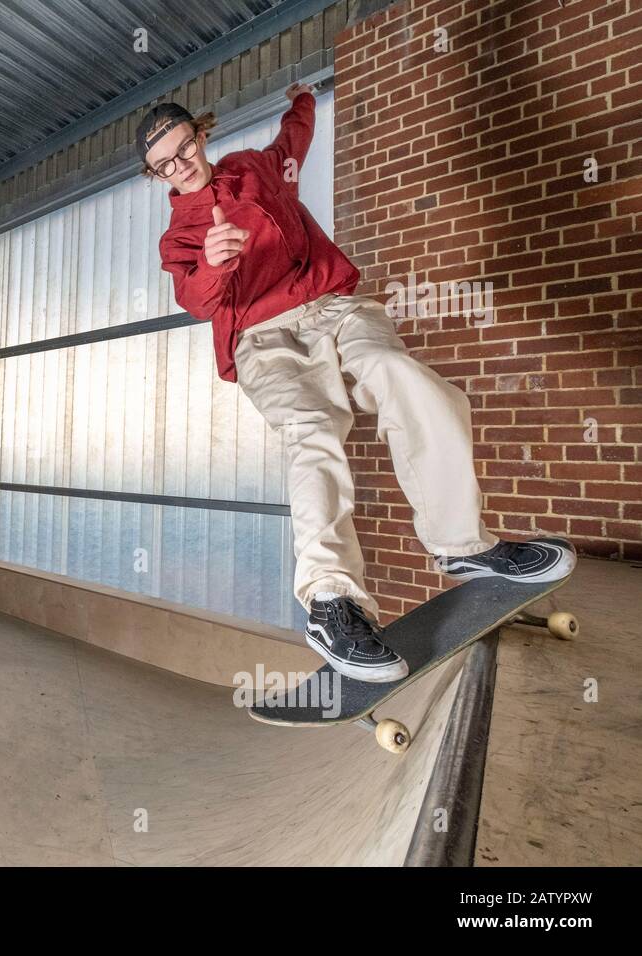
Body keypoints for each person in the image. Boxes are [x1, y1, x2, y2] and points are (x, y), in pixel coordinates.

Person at [139, 83, 574, 682]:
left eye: (184, 149)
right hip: (263, 340)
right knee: (312, 428)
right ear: (155, 174)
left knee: (406, 379)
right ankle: (330, 600)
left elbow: (295, 141)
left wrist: (304, 101)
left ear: (201, 136)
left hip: (332, 307)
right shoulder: (180, 237)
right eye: (164, 166)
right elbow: (193, 297)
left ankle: (463, 544)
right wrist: (214, 259)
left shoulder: (255, 169)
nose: (180, 168)